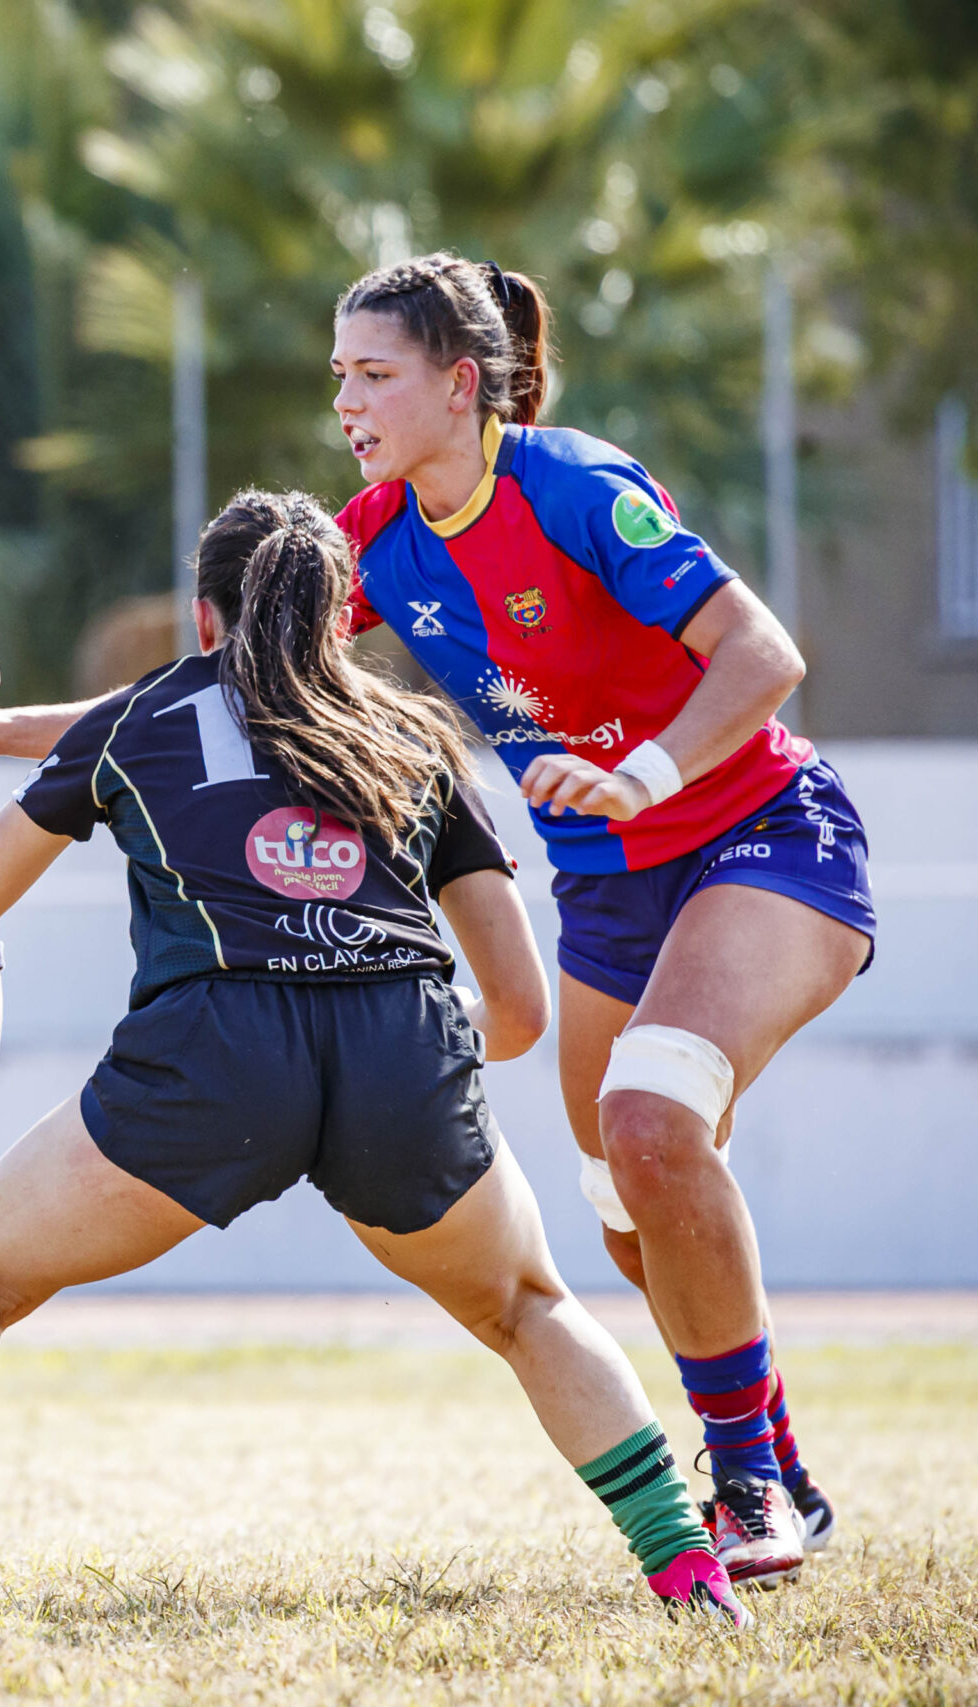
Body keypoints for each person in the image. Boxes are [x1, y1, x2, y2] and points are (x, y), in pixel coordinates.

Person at [0, 490, 747, 1630]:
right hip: (398, 1042)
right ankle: (688, 1570)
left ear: (204, 617)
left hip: (212, 1055)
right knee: (526, 1306)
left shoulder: (143, 711)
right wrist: (421, 1042)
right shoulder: (412, 733)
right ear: (340, 615)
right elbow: (517, 1007)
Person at [328, 254, 871, 1586]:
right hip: (608, 897)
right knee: (629, 1200)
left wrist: (645, 772)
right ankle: (781, 1465)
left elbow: (765, 653)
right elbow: (232, 678)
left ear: (460, 384)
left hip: (761, 837)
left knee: (650, 1118)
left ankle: (743, 1483)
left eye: (375, 373)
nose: (346, 400)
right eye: (339, 374)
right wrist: (1, 734)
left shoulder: (572, 483)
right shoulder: (373, 536)